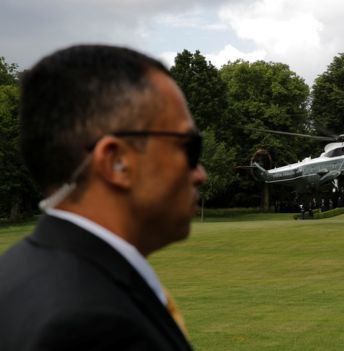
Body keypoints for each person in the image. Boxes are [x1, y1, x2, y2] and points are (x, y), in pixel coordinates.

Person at [0, 45, 206, 350]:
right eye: (189, 148)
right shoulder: (93, 328)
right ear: (116, 162)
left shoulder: (14, 272)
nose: (200, 173)